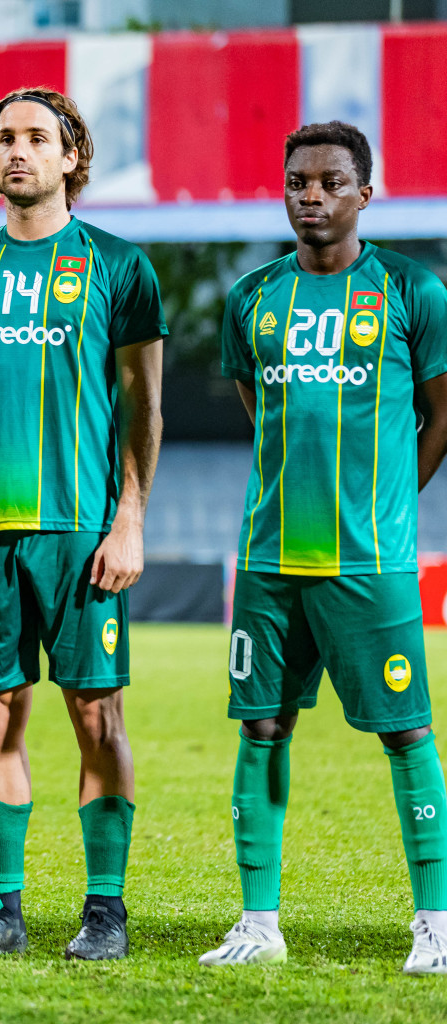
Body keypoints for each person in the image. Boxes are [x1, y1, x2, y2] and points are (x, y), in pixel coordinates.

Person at [0, 87, 165, 960]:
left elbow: (143, 404)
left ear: (71, 156)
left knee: (98, 718)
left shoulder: (118, 266)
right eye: (3, 138)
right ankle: (0, 913)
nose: (16, 151)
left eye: (35, 138)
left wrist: (129, 518)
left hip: (82, 533)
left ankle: (105, 912)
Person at [199, 121, 447, 974]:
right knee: (262, 727)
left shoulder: (413, 291)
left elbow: (442, 412)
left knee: (407, 733)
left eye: (331, 182)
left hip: (370, 563)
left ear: (364, 194)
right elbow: (256, 403)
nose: (312, 196)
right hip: (270, 561)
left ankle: (436, 923)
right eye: (298, 182)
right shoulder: (251, 298)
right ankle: (258, 923)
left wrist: (392, 501)